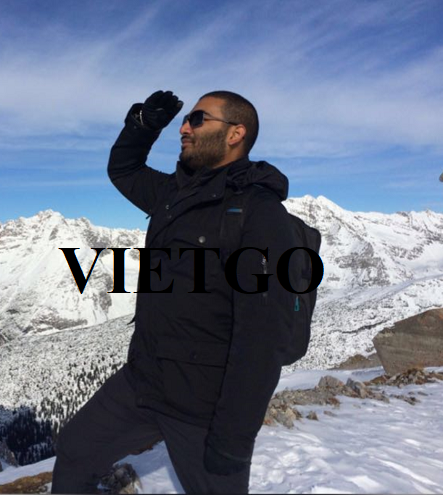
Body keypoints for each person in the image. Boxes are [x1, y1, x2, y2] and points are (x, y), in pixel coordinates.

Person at [51, 90, 298, 494]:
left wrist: (233, 438)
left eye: (198, 119)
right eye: (185, 119)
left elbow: (265, 336)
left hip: (203, 406)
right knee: (75, 450)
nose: (184, 127)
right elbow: (124, 169)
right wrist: (143, 126)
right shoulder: (174, 194)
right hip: (143, 382)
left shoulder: (260, 214)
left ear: (235, 133)